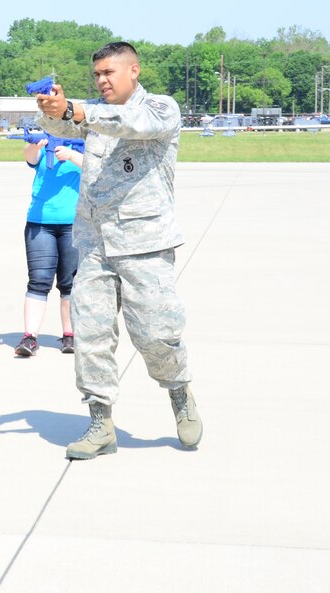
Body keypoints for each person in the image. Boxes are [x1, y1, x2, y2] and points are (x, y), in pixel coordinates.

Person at [35, 41, 202, 459]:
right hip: (93, 243)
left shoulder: (162, 109)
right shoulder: (91, 111)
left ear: (134, 71)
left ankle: (180, 392)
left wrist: (78, 110)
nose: (101, 81)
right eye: (96, 75)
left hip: (144, 244)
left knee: (156, 335)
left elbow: (130, 123)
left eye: (109, 73)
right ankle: (100, 422)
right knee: (91, 335)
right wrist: (53, 109)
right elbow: (62, 126)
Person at [14, 138, 84, 357]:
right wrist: (36, 144)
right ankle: (30, 337)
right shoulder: (45, 146)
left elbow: (96, 167)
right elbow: (30, 157)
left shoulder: (84, 144)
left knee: (70, 283)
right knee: (38, 280)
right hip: (40, 222)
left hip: (74, 224)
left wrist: (71, 155)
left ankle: (70, 335)